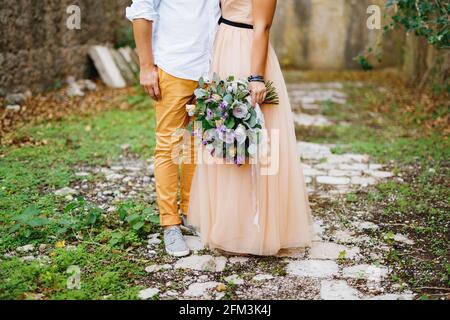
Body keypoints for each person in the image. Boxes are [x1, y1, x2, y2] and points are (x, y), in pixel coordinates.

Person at [187, 0, 312, 256]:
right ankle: (228, 225)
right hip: (223, 48)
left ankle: (254, 231)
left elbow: (262, 26)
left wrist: (255, 77)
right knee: (225, 138)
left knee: (253, 140)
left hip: (246, 54)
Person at [126, 0, 221, 257]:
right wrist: (146, 67)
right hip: (174, 67)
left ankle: (191, 213)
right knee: (169, 147)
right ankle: (170, 223)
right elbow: (142, 13)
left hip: (210, 70)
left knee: (196, 144)